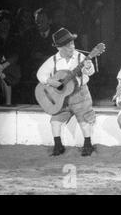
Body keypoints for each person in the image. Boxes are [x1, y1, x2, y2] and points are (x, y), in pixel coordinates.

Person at [36, 28, 96, 156]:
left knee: (84, 120)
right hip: (61, 99)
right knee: (54, 122)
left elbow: (90, 72)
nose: (72, 47)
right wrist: (51, 82)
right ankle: (58, 146)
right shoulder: (53, 60)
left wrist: (88, 67)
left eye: (72, 43)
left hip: (80, 95)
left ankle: (88, 145)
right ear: (59, 48)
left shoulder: (81, 57)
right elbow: (40, 74)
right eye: (68, 45)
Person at [0, 10, 21, 105]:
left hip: (9, 68)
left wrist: (2, 66)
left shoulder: (14, 38)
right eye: (2, 23)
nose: (5, 26)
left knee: (5, 76)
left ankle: (8, 104)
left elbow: (16, 55)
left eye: (7, 23)